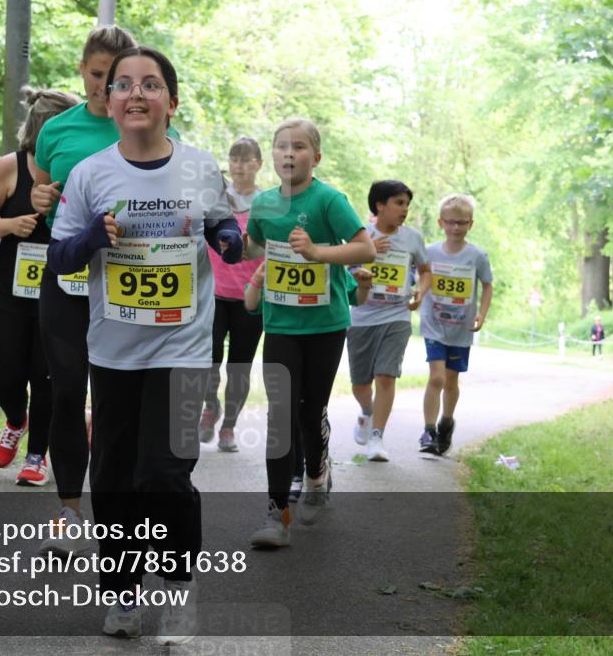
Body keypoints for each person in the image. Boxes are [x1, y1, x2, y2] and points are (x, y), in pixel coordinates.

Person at [48, 46, 242, 645]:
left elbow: (221, 223)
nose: (136, 93)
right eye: (123, 84)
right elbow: (58, 258)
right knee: (112, 476)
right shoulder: (90, 174)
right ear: (108, 103)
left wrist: (230, 239)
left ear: (171, 103)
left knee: (162, 474)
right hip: (114, 352)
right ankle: (124, 594)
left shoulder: (200, 168)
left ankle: (178, 592)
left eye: (151, 84)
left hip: (183, 348)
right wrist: (89, 237)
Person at [31, 26, 178, 552]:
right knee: (67, 390)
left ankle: (130, 504)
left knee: (122, 403)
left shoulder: (157, 132)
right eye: (99, 76)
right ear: (84, 71)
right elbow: (40, 186)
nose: (107, 87)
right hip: (68, 278)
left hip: (129, 287)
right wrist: (41, 195)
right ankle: (70, 509)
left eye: (118, 78)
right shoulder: (57, 131)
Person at [244, 118, 376, 548]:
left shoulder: (328, 200)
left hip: (324, 324)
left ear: (314, 158)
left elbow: (365, 246)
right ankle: (275, 512)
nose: (288, 153)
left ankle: (317, 475)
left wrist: (319, 252)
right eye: (281, 146)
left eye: (298, 147)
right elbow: (252, 245)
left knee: (308, 410)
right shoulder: (263, 204)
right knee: (280, 416)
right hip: (280, 322)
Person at [0, 88, 80, 486]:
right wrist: (11, 226)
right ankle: (16, 420)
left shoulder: (79, 168)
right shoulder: (9, 167)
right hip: (9, 291)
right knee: (9, 373)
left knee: (46, 374)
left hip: (61, 288)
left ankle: (37, 454)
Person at [347, 180, 430, 462]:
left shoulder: (413, 238)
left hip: (396, 315)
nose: (404, 209)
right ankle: (367, 412)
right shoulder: (361, 235)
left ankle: (376, 437)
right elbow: (342, 270)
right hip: (360, 317)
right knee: (360, 383)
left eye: (407, 204)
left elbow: (426, 270)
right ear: (380, 205)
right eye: (398, 203)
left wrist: (421, 291)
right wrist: (366, 253)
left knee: (386, 376)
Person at [199, 137, 265, 451]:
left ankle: (229, 427)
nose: (239, 165)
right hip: (212, 294)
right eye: (234, 159)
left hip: (249, 298)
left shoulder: (267, 204)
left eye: (246, 159)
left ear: (259, 164)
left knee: (239, 366)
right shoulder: (217, 199)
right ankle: (211, 405)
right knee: (207, 363)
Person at [418, 194, 493, 455]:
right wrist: (416, 294)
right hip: (433, 324)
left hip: (461, 327)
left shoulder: (477, 256)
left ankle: (446, 422)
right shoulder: (430, 252)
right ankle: (428, 430)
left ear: (470, 224)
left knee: (451, 380)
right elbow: (419, 276)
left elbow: (487, 285)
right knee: (436, 377)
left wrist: (481, 314)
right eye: (450, 222)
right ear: (441, 222)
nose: (456, 228)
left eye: (461, 223)